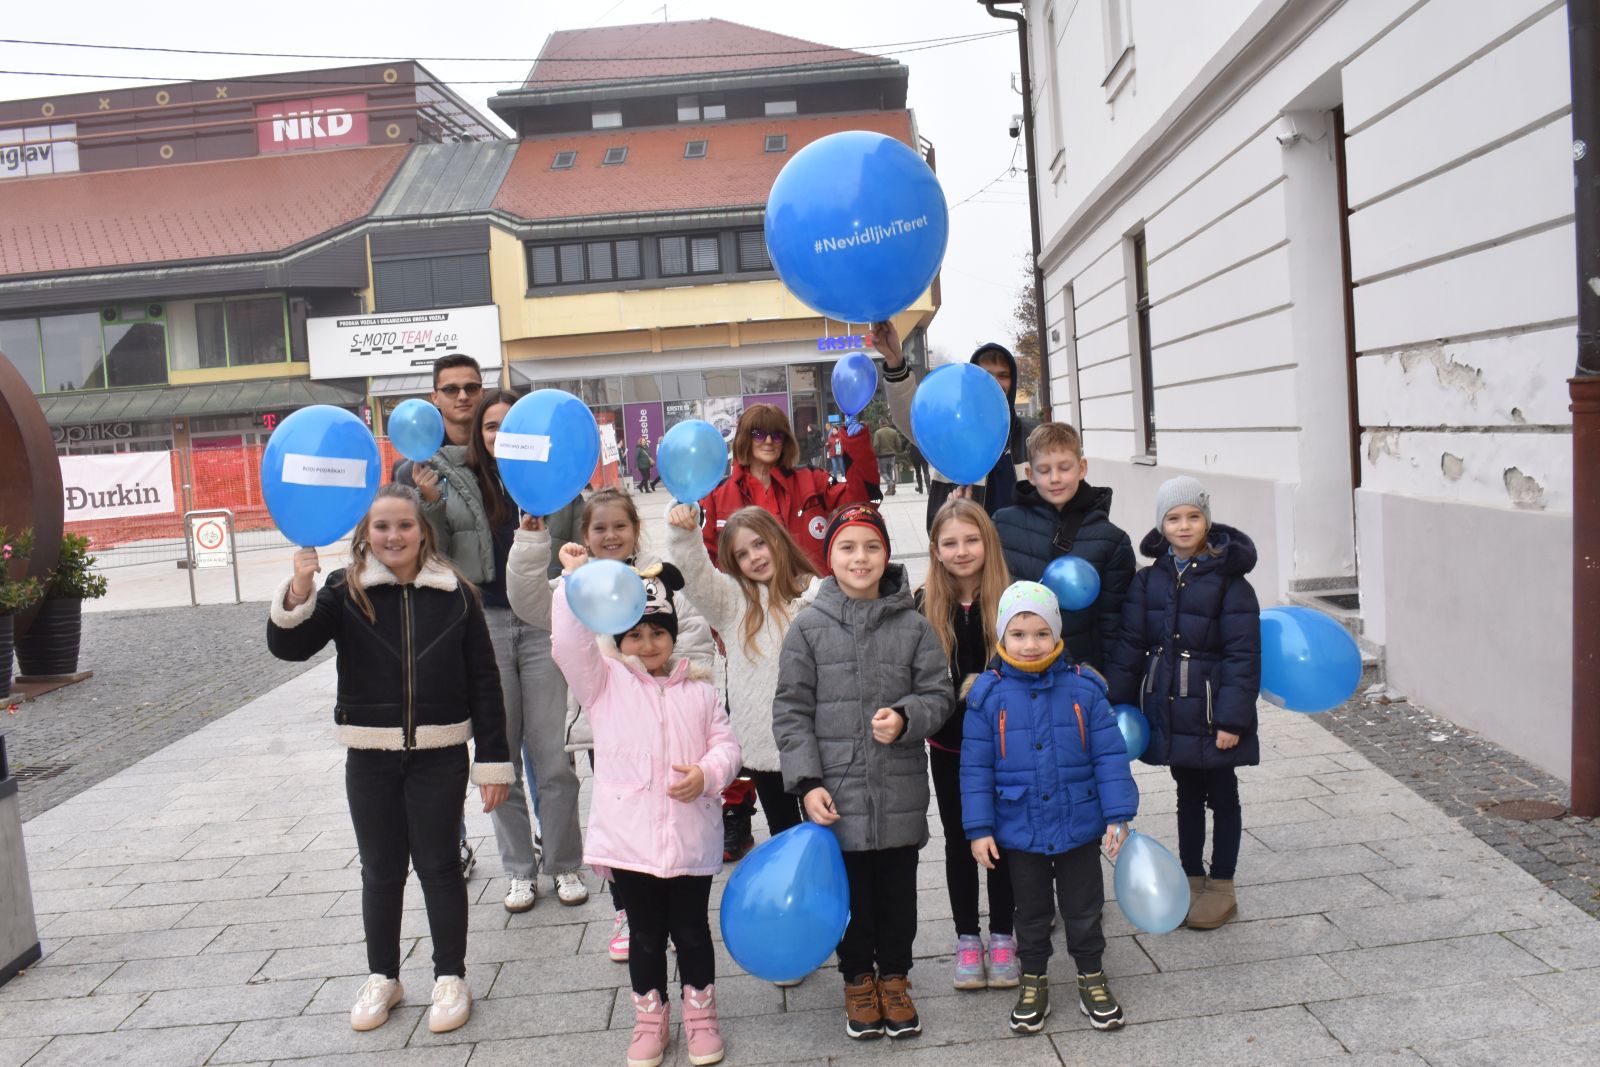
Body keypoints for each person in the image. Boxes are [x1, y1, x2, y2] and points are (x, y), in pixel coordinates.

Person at [266, 484, 513, 1035]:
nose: (393, 536)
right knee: (380, 871)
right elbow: (289, 646)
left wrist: (492, 760)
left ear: (423, 530)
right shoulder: (344, 591)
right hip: (370, 757)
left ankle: (450, 976)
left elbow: (484, 680)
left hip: (440, 753)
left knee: (440, 867)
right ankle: (384, 976)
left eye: (404, 525)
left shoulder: (457, 594)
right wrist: (300, 586)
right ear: (365, 535)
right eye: (382, 527)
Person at [550, 547, 741, 1067]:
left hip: (689, 839)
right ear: (618, 639)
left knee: (693, 932)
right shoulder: (605, 685)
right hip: (630, 842)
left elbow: (726, 746)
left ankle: (701, 1015)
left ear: (673, 635)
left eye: (658, 632)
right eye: (635, 634)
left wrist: (707, 774)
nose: (648, 643)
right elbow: (568, 647)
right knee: (646, 936)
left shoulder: (700, 691)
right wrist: (572, 584)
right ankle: (650, 1019)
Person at [512, 488, 716, 961]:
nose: (610, 536)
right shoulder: (578, 582)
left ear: (635, 531)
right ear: (585, 534)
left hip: (663, 720)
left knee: (664, 810)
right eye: (599, 528)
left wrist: (658, 678)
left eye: (619, 527)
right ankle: (628, 907)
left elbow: (695, 639)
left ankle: (671, 892)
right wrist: (535, 546)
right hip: (605, 723)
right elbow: (528, 604)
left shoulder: (659, 581)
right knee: (622, 812)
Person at [772, 504, 950, 1040]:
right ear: (830, 559)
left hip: (896, 794)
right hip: (837, 796)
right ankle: (857, 980)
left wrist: (907, 717)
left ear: (887, 556)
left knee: (898, 893)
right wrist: (807, 783)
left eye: (871, 546)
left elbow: (939, 695)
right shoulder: (808, 629)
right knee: (850, 898)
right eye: (847, 547)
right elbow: (791, 710)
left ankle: (895, 978)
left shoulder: (914, 626)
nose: (860, 557)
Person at [961, 581, 1139, 1034]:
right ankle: (1033, 979)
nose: (1030, 643)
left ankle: (1091, 975)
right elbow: (975, 768)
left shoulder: (1085, 689)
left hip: (1079, 822)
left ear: (1057, 633)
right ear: (1002, 637)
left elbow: (1109, 756)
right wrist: (979, 828)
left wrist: (1118, 814)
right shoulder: (988, 695)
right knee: (1032, 912)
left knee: (1084, 907)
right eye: (1017, 634)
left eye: (1041, 632)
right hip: (1020, 827)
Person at [1106, 476, 1261, 930]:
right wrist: (1114, 702)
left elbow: (1243, 655)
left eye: (1194, 516)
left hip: (1212, 713)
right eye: (1174, 517)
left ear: (1207, 521)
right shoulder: (1150, 580)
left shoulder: (1230, 583)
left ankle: (1223, 883)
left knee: (1223, 795)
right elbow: (1131, 644)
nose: (1185, 525)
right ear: (1162, 525)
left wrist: (1233, 718)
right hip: (1170, 710)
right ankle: (1192, 875)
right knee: (1186, 794)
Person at [465, 391, 590, 913]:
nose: (499, 436)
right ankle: (519, 869)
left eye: (509, 426)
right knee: (501, 756)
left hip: (545, 621)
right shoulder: (465, 486)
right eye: (490, 427)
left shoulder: (558, 481)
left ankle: (564, 864)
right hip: (486, 626)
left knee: (552, 755)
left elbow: (586, 538)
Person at [664, 504, 821, 906]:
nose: (755, 557)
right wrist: (685, 531)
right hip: (766, 750)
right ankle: (796, 917)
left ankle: (838, 917)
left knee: (826, 835)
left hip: (818, 747)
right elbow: (696, 576)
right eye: (742, 555)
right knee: (787, 836)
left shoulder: (815, 593)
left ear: (778, 539)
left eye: (759, 544)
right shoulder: (732, 602)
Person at [390, 353, 492, 881]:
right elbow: (400, 539)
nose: (462, 397)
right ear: (434, 397)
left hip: (500, 606)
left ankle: (542, 838)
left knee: (513, 734)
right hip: (434, 614)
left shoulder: (497, 448)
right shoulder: (410, 464)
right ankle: (450, 844)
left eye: (471, 387)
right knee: (443, 735)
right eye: (450, 388)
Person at [917, 498, 1018, 991]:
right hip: (950, 746)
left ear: (988, 543)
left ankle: (1003, 934)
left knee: (1001, 836)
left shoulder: (1011, 598)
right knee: (960, 840)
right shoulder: (923, 604)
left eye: (971, 540)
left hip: (1003, 746)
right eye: (950, 543)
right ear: (935, 549)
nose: (961, 551)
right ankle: (966, 937)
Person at [992, 423, 1136, 673]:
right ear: (1030, 474)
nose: (1055, 478)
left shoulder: (1111, 541)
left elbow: (1115, 624)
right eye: (1044, 470)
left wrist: (1111, 686)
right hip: (1016, 672)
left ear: (1082, 468)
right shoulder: (1003, 525)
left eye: (1064, 468)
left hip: (1079, 675)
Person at [871, 321, 1039, 530]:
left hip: (1020, 556)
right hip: (965, 554)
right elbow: (910, 417)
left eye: (1003, 375)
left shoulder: (1033, 437)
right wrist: (895, 361)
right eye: (985, 374)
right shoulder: (951, 431)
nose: (994, 382)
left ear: (1013, 382)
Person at [699, 403, 878, 576]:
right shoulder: (717, 496)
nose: (769, 441)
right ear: (745, 438)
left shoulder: (813, 479)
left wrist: (857, 444)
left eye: (777, 435)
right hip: (750, 603)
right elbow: (702, 561)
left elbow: (864, 504)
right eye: (759, 435)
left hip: (811, 600)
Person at [871, 421, 903, 496]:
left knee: (883, 472)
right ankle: (890, 490)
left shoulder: (878, 433)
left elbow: (876, 445)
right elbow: (898, 444)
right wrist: (896, 450)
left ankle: (890, 484)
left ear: (880, 424)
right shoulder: (894, 432)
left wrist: (875, 454)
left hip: (882, 456)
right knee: (890, 472)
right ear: (887, 423)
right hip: (892, 455)